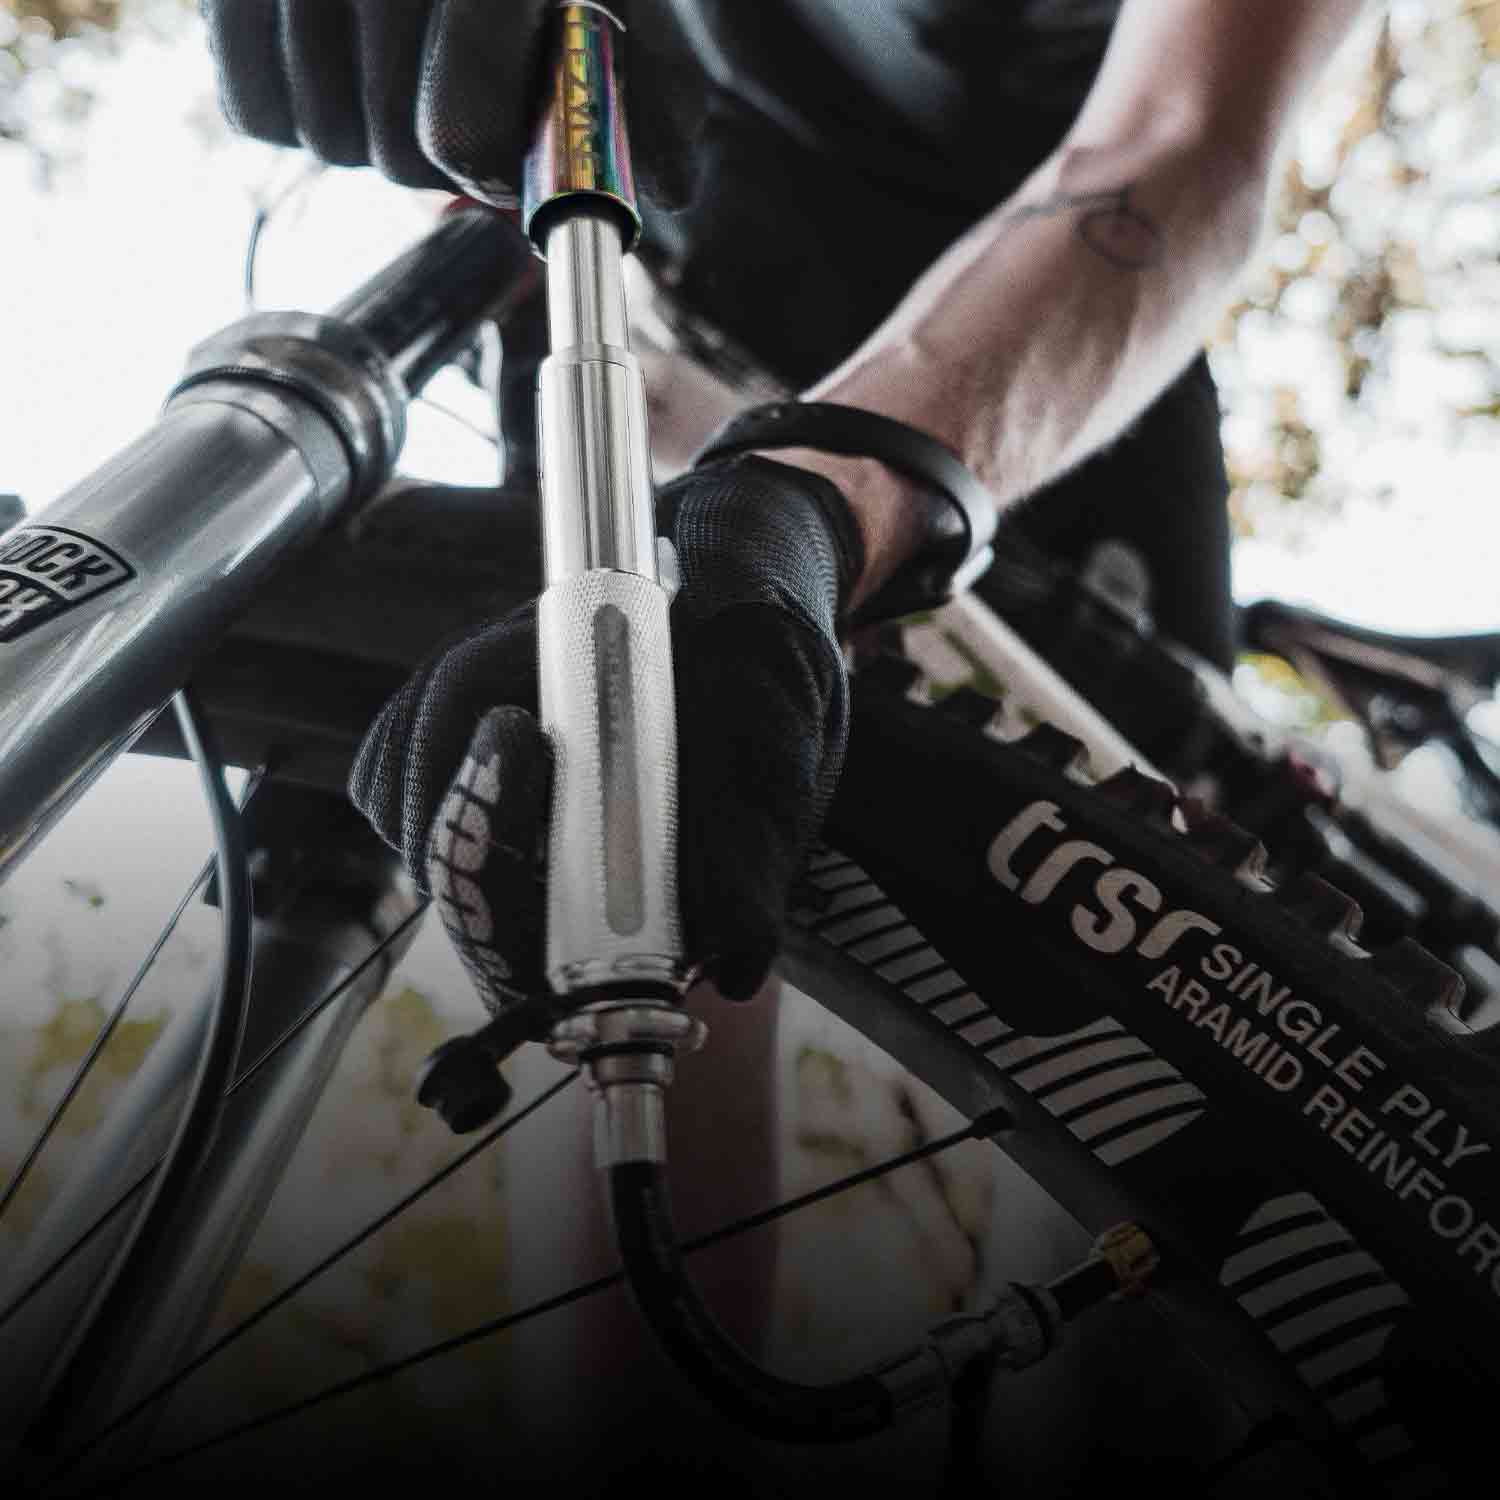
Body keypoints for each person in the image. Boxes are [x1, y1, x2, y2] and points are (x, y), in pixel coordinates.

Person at [200, 2, 1377, 1492]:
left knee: (1144, 1068)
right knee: (645, 838)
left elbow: (1183, 133)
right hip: (677, 261)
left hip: (1066, 313)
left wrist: (815, 503)